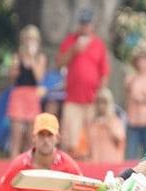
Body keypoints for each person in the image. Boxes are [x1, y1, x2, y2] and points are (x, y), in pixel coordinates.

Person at [56, 7, 109, 159]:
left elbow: (104, 72)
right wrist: (74, 50)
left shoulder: (99, 44)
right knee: (69, 138)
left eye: (87, 23)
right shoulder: (70, 41)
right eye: (82, 23)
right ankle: (68, 164)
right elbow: (59, 64)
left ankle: (92, 164)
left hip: (91, 99)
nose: (85, 26)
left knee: (92, 138)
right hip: (72, 98)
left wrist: (100, 94)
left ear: (92, 25)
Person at [7, 25, 47, 159]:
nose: (30, 41)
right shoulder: (17, 55)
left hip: (32, 96)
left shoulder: (40, 57)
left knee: (31, 139)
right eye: (28, 38)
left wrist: (32, 59)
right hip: (18, 96)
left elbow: (39, 78)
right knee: (16, 138)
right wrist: (17, 63)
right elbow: (12, 77)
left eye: (33, 38)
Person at [86, 87, 125, 163]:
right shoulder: (91, 122)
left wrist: (107, 125)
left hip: (112, 164)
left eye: (104, 102)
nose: (101, 106)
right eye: (98, 102)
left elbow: (119, 140)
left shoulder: (115, 121)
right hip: (95, 163)